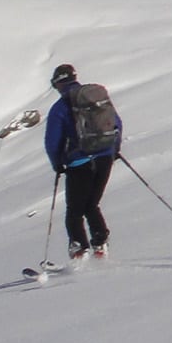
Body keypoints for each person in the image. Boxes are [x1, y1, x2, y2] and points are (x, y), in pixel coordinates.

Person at [44, 63, 122, 260]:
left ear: (58, 83)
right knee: (92, 204)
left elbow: (52, 141)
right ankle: (100, 243)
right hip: (105, 158)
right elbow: (117, 124)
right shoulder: (97, 99)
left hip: (79, 163)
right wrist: (114, 150)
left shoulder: (60, 107)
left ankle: (79, 250)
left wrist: (57, 163)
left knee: (75, 210)